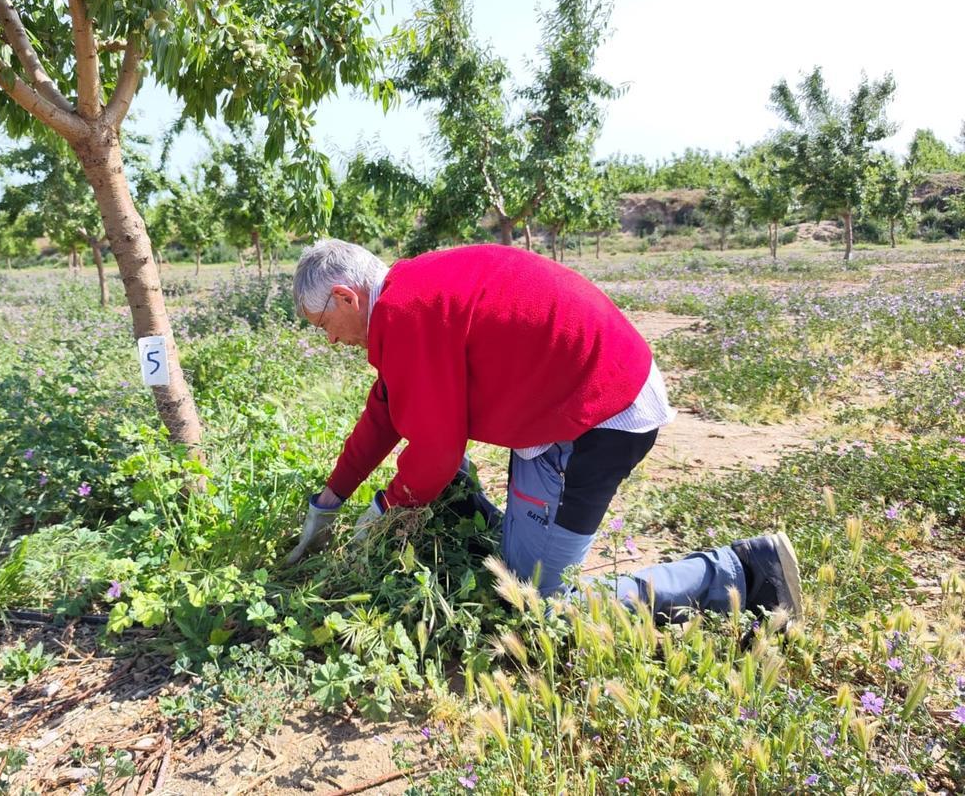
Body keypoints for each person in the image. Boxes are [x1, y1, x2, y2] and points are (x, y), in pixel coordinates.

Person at [286, 239, 801, 623]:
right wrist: (330, 498)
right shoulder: (407, 293)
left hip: (602, 416)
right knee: (508, 563)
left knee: (539, 603)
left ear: (345, 297)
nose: (329, 340)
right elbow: (388, 408)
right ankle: (465, 503)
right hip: (562, 406)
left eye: (321, 324)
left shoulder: (405, 313)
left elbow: (437, 453)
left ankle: (743, 572)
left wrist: (385, 508)